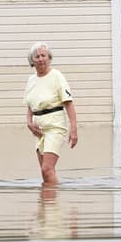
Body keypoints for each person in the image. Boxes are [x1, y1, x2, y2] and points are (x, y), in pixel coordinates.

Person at [25, 42, 78, 185]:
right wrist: (29, 123)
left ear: (49, 57)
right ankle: (49, 205)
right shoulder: (31, 80)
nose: (41, 59)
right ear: (32, 60)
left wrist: (74, 129)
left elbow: (68, 103)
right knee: (46, 172)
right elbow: (30, 105)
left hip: (55, 126)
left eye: (43, 55)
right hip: (38, 129)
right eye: (37, 56)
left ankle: (51, 202)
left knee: (46, 169)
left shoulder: (57, 76)